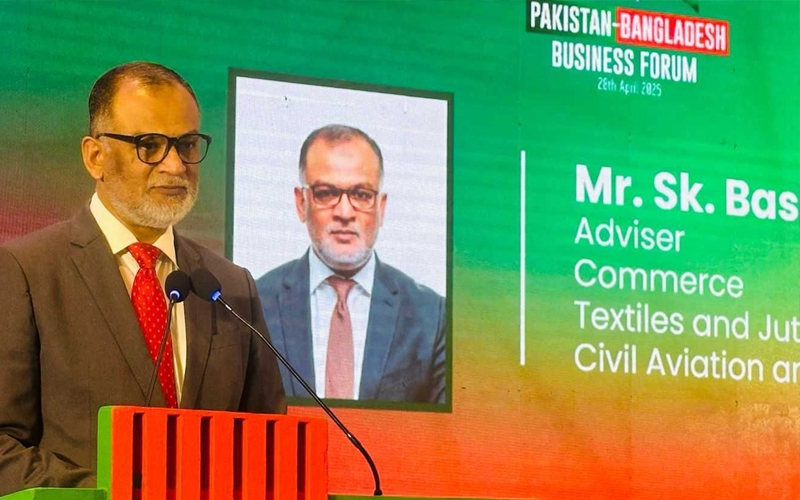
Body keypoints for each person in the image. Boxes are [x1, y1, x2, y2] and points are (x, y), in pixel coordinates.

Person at [0, 62, 286, 494]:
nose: (175, 165)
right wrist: (114, 493)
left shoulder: (230, 285)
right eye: (149, 145)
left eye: (187, 144)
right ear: (95, 156)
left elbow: (270, 446)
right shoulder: (26, 270)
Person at [255, 124, 446, 404]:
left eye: (361, 194)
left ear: (381, 207)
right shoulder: (256, 304)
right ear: (301, 203)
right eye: (325, 193)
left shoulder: (432, 316)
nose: (344, 213)